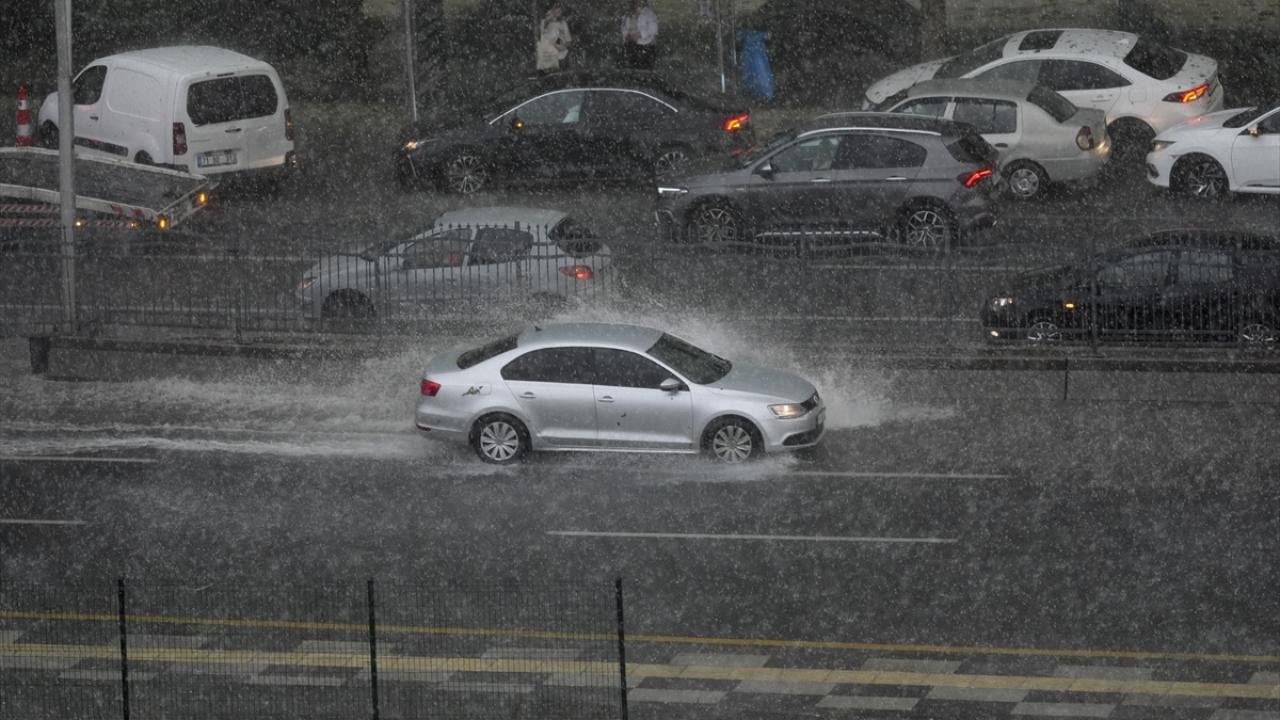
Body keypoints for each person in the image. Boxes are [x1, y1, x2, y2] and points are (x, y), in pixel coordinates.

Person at [621, 0, 659, 70]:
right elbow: (624, 27)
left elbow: (654, 29)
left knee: (645, 70)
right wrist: (627, 35)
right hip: (630, 47)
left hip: (646, 47)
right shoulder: (628, 14)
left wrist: (640, 34)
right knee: (630, 70)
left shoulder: (648, 13)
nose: (637, 3)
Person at [536, 3, 572, 74]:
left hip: (560, 51)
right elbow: (543, 38)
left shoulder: (563, 23)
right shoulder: (544, 23)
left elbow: (568, 40)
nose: (557, 12)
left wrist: (563, 45)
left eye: (559, 11)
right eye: (555, 10)